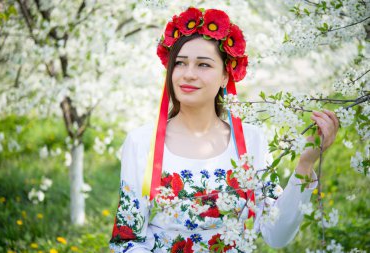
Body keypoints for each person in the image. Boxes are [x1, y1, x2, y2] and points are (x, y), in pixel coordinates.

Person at [109, 7, 339, 253]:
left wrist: (305, 166)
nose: (188, 74)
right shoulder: (141, 142)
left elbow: (277, 235)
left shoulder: (252, 141)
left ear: (224, 75)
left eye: (203, 65)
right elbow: (127, 240)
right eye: (180, 63)